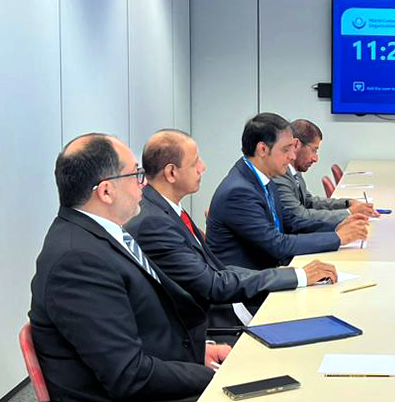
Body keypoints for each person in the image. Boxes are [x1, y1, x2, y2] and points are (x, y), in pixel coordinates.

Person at [29, 133, 228, 402]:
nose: (143, 184)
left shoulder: (100, 236)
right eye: (136, 174)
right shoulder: (77, 260)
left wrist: (198, 353)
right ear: (106, 191)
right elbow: (128, 374)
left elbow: (138, 327)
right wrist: (213, 376)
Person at [126, 129, 338, 328]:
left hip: (227, 301)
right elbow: (212, 284)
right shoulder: (153, 223)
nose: (202, 167)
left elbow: (216, 270)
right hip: (210, 324)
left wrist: (289, 275)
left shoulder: (167, 209)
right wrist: (296, 276)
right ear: (171, 173)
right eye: (194, 162)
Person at [206, 112, 368, 270]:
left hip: (269, 269)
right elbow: (277, 245)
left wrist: (337, 226)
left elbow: (292, 221)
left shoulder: (263, 177)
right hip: (249, 280)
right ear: (262, 149)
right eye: (286, 149)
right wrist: (337, 238)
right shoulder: (239, 192)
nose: (292, 156)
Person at [273, 119, 379, 225]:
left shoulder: (294, 170)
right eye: (314, 150)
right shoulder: (280, 175)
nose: (315, 159)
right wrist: (349, 212)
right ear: (297, 144)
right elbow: (299, 216)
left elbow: (309, 202)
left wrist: (348, 203)